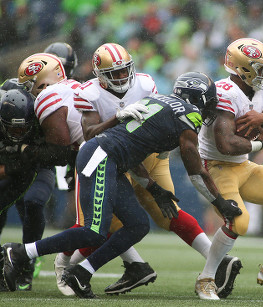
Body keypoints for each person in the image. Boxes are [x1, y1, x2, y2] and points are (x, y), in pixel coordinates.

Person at [2, 71, 242, 299]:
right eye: (209, 101)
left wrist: (154, 188)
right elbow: (197, 172)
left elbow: (131, 148)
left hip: (110, 158)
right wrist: (220, 203)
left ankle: (81, 273)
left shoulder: (158, 101)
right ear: (197, 98)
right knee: (94, 231)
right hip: (101, 157)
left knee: (138, 225)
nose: (211, 107)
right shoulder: (188, 114)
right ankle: (21, 252)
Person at [68, 43, 242, 298]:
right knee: (107, 220)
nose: (120, 77)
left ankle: (79, 266)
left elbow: (167, 120)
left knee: (164, 212)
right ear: (99, 74)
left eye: (123, 71)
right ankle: (129, 266)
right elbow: (90, 133)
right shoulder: (88, 93)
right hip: (108, 151)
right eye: (113, 73)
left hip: (145, 153)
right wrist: (118, 115)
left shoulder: (146, 83)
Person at [195, 38, 263, 300]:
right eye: (260, 68)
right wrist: (257, 143)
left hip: (243, 165)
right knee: (239, 221)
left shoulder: (260, 91)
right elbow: (225, 144)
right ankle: (206, 278)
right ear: (243, 69)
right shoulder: (224, 92)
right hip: (217, 167)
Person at [0, 88, 56, 291]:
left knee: (34, 201)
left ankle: (27, 263)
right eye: (13, 130)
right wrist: (10, 167)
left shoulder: (44, 118)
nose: (19, 134)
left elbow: (57, 154)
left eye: (23, 129)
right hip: (12, 167)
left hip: (39, 165)